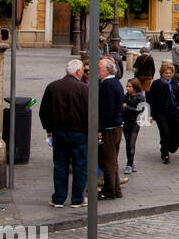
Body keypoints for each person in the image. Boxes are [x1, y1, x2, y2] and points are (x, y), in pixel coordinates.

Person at [39, 58, 90, 208]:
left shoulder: (52, 87)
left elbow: (44, 112)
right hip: (78, 132)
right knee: (79, 165)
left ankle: (59, 198)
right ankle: (77, 198)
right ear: (78, 71)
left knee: (60, 165)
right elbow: (89, 112)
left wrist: (49, 129)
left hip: (58, 132)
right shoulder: (83, 89)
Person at [97, 57, 127, 199]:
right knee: (112, 160)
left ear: (107, 70)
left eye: (99, 69)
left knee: (107, 160)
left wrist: (101, 129)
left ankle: (109, 190)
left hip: (110, 128)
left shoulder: (107, 84)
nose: (97, 72)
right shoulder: (114, 82)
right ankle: (116, 189)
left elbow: (107, 110)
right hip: (116, 126)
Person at [147, 62, 179, 163]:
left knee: (172, 132)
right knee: (164, 132)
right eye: (166, 73)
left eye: (170, 73)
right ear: (162, 73)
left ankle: (168, 146)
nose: (168, 75)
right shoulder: (156, 84)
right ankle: (165, 152)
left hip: (173, 111)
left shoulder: (174, 83)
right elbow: (151, 100)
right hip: (161, 112)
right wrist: (150, 115)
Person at [122, 77, 145, 175]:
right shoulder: (126, 96)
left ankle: (129, 164)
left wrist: (126, 107)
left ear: (135, 87)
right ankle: (131, 162)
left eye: (129, 87)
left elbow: (139, 109)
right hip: (126, 122)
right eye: (127, 86)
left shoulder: (140, 97)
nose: (127, 88)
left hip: (135, 123)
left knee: (131, 143)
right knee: (128, 143)